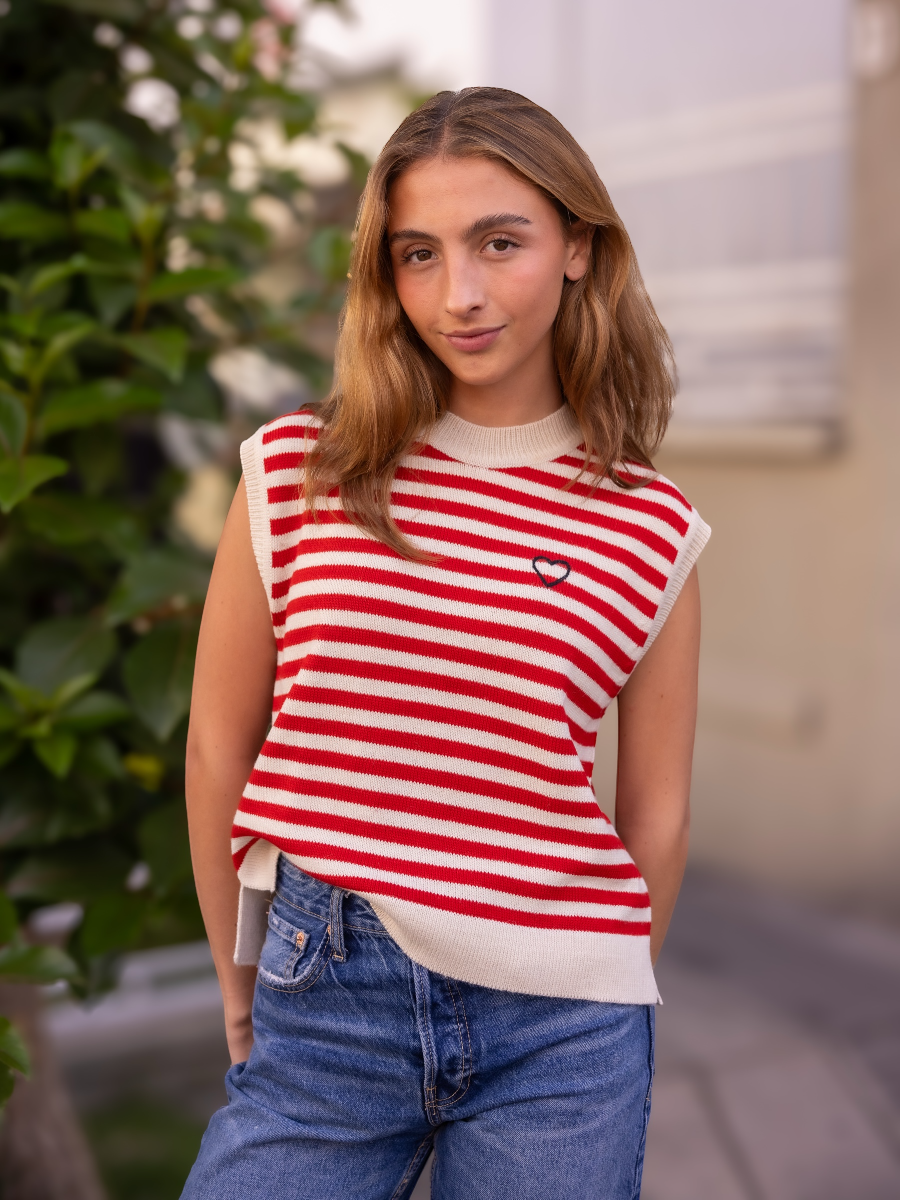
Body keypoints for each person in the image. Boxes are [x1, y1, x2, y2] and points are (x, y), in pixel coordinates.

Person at [181, 87, 709, 1200]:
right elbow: (218, 747)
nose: (456, 295)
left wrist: (597, 981)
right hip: (326, 996)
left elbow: (655, 811)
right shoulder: (297, 471)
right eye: (418, 254)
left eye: (499, 243)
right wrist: (240, 977)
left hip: (565, 1039)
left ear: (579, 246)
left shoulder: (652, 528)